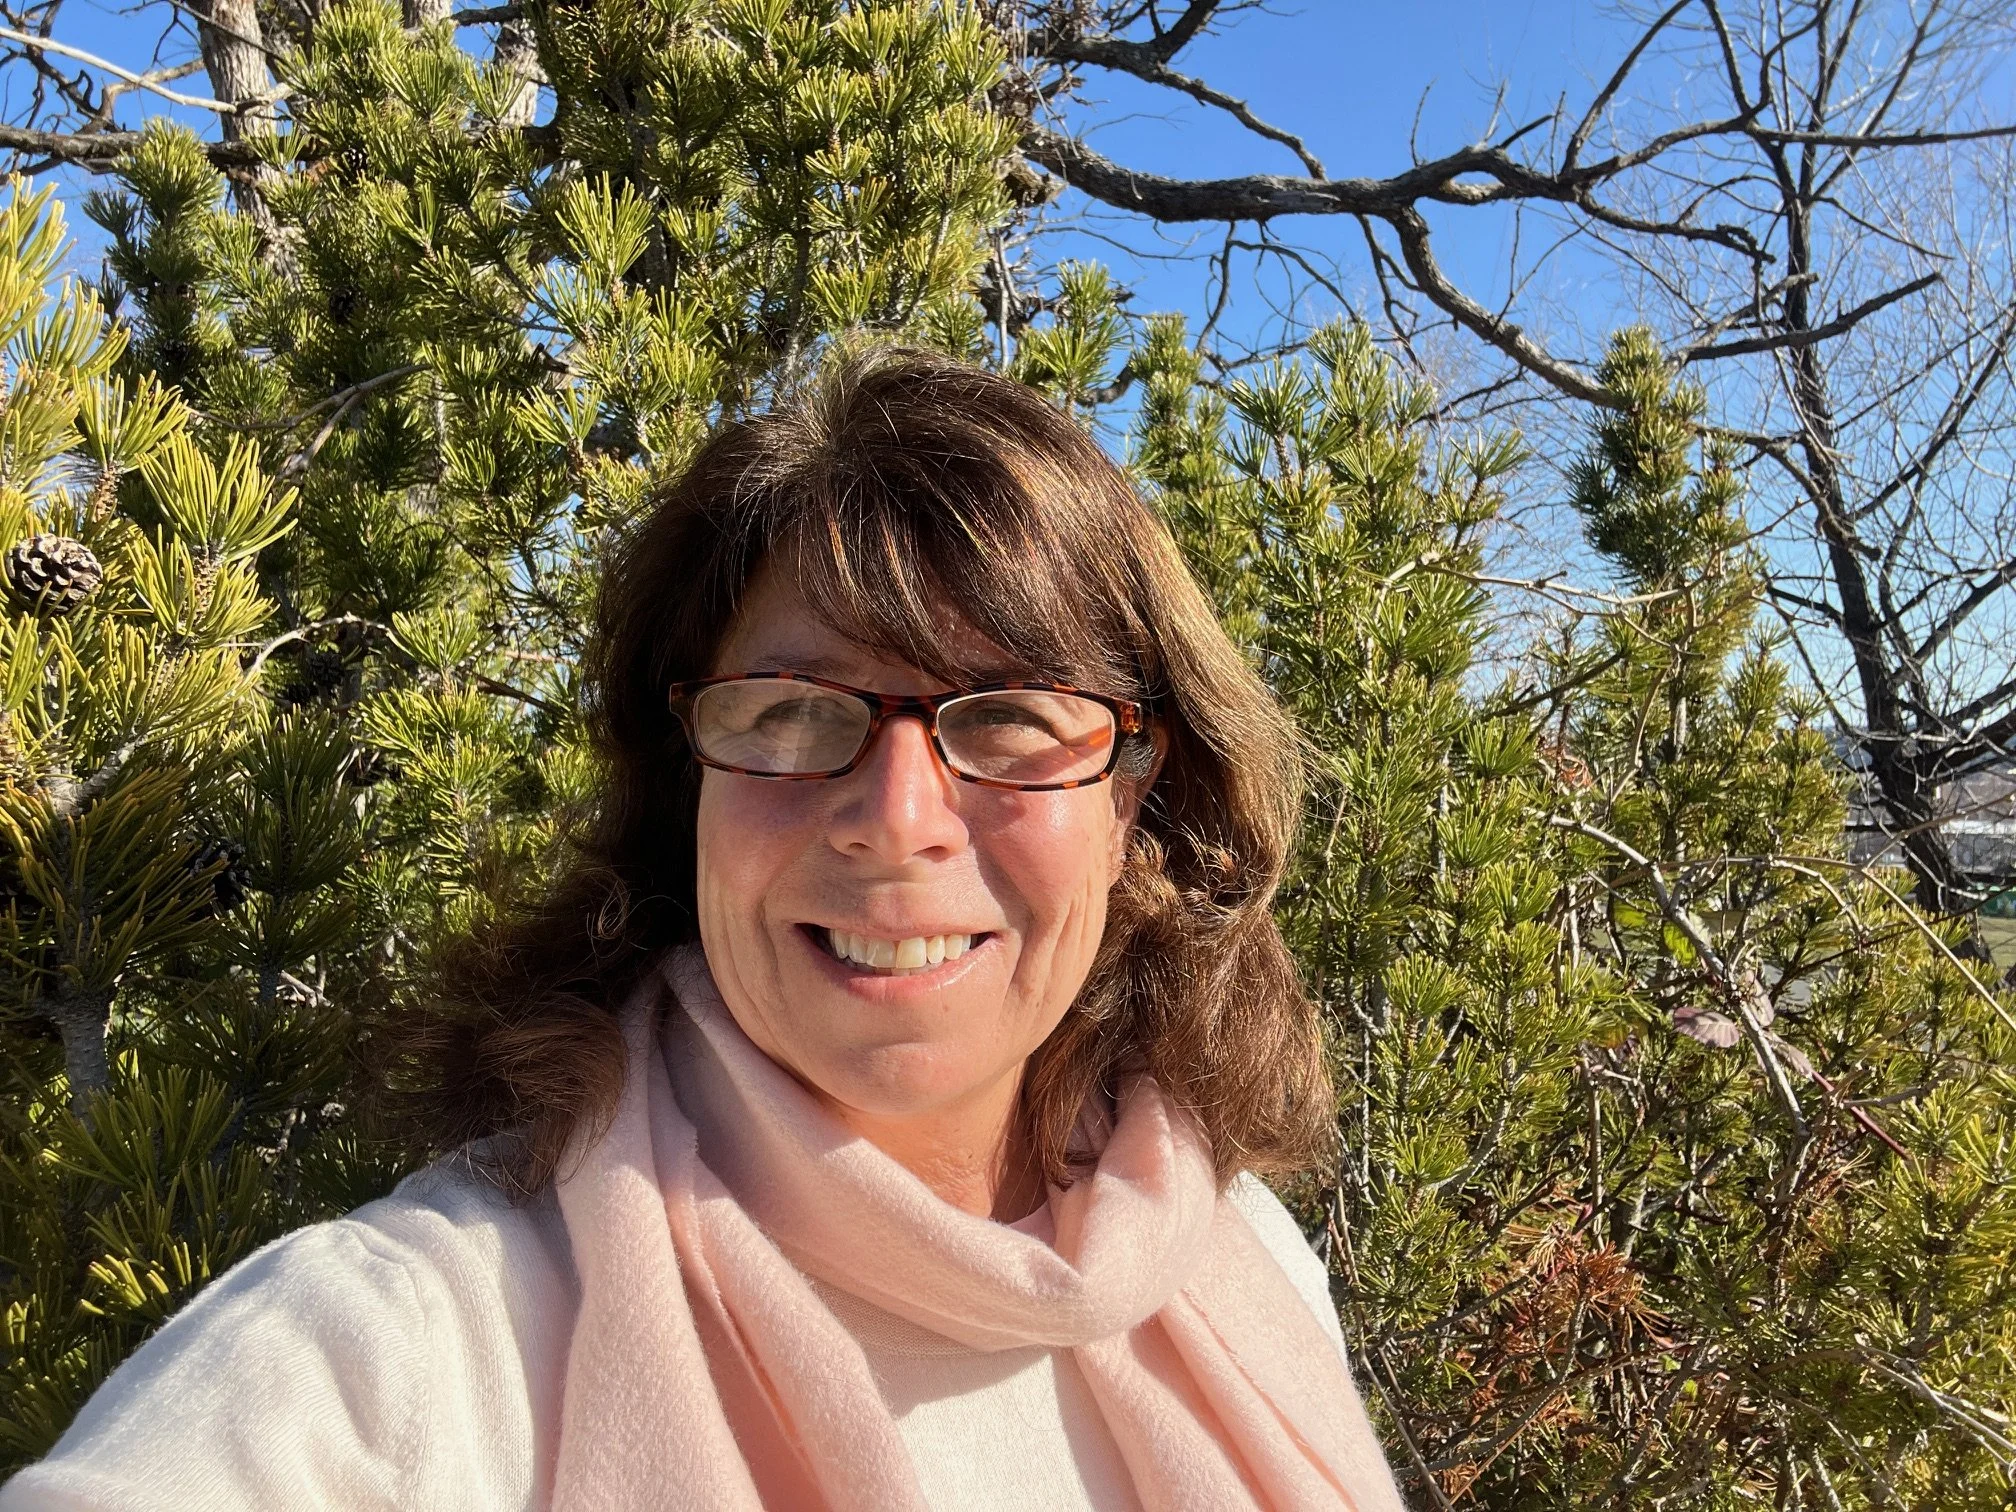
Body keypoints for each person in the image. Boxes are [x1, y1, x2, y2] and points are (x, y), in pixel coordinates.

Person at [2, 348, 1407, 1510]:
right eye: (793, 713)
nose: (896, 819)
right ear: (690, 784)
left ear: (1135, 792)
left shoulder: (1236, 1259)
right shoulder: (411, 1353)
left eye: (1009, 723)